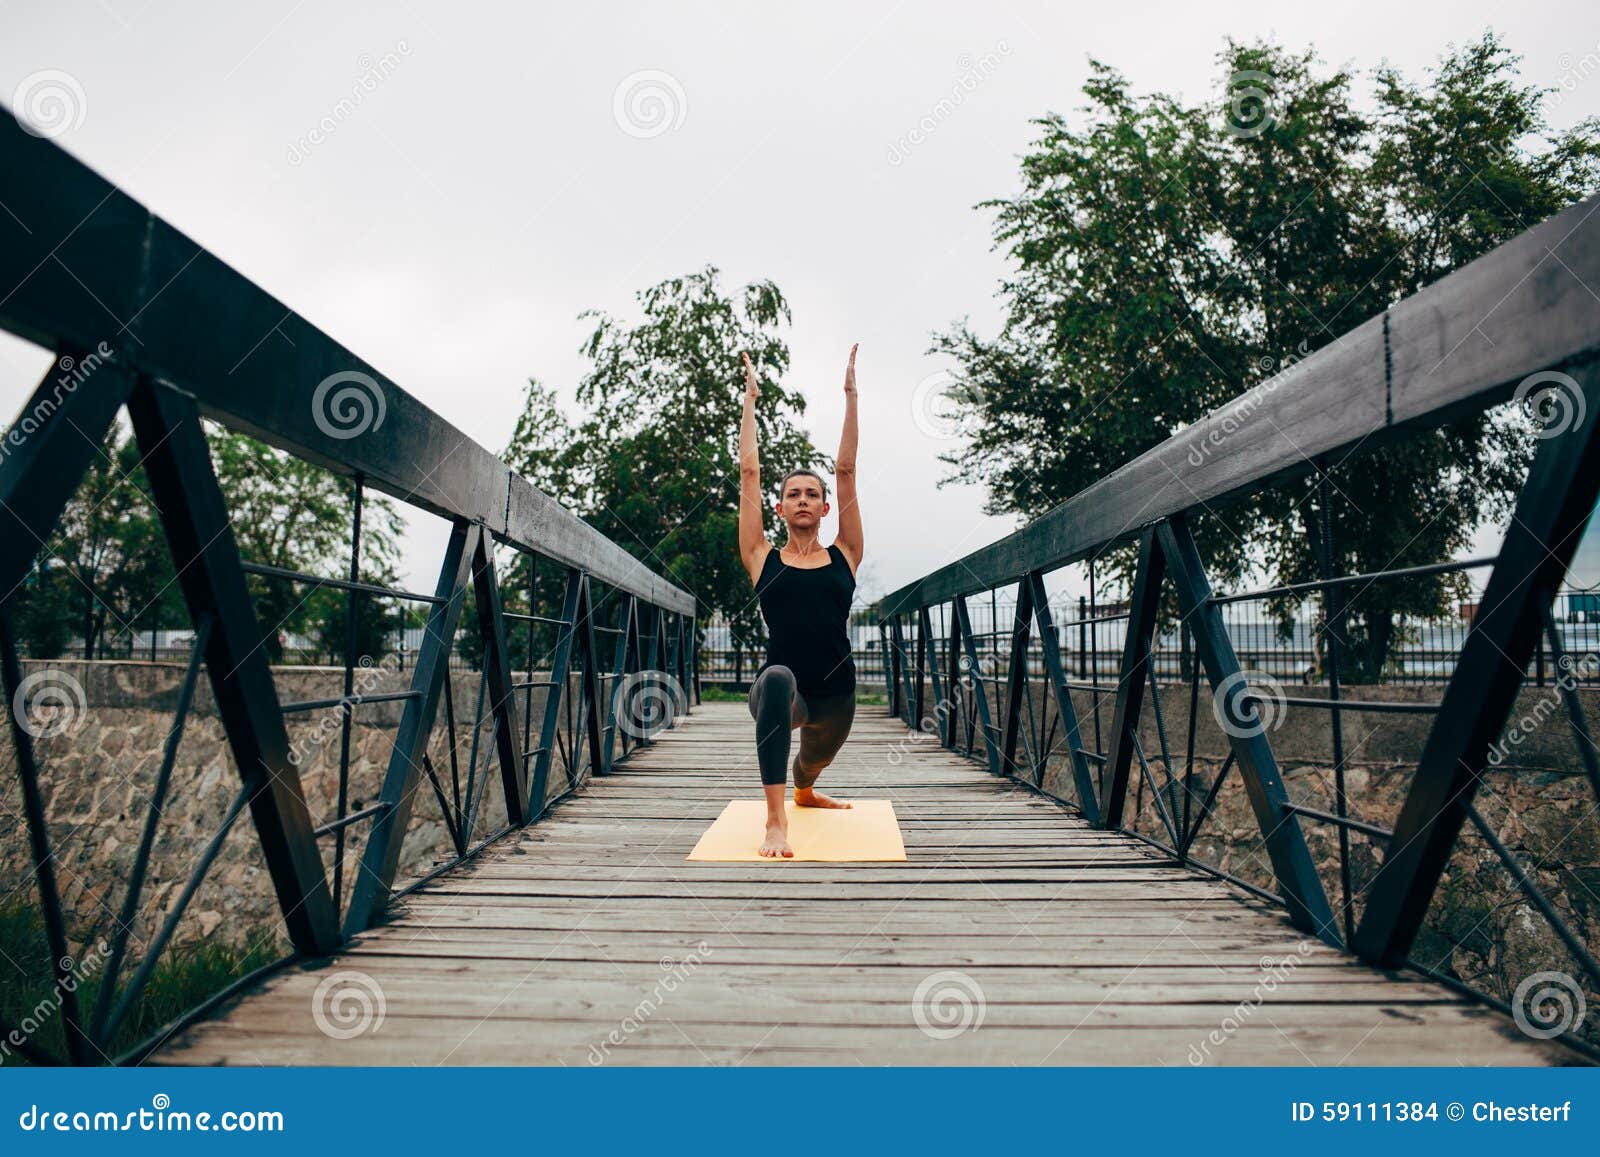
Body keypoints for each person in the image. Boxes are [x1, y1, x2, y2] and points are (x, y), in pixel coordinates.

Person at [737, 343, 863, 857]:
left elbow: (847, 469)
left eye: (812, 494)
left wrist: (851, 395)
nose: (804, 500)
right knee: (777, 676)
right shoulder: (759, 554)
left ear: (826, 505)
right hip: (782, 697)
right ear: (780, 507)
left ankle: (805, 790)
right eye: (794, 494)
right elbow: (748, 473)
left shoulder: (846, 553)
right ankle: (775, 821)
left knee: (809, 767)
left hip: (837, 697)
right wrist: (749, 401)